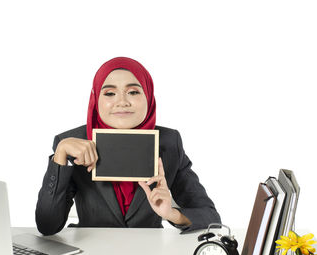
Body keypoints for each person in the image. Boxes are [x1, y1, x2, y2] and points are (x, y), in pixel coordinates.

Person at [35, 57, 221, 235]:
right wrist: (61, 154)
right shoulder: (71, 142)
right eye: (109, 93)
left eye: (133, 92)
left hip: (149, 254)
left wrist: (171, 213)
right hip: (91, 252)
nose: (122, 101)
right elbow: (47, 225)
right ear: (95, 100)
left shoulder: (169, 142)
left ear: (148, 96)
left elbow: (210, 217)